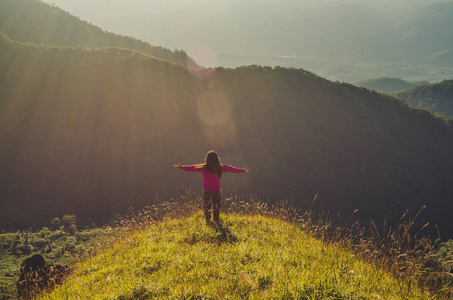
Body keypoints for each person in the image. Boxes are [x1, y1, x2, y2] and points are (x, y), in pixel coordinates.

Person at [174, 150, 249, 223]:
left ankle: (208, 220)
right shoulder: (221, 167)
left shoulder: (204, 167)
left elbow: (192, 168)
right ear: (217, 158)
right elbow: (232, 169)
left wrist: (182, 167)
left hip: (207, 191)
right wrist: (241, 170)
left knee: (207, 206)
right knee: (216, 207)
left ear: (207, 159)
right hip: (216, 191)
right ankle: (216, 220)